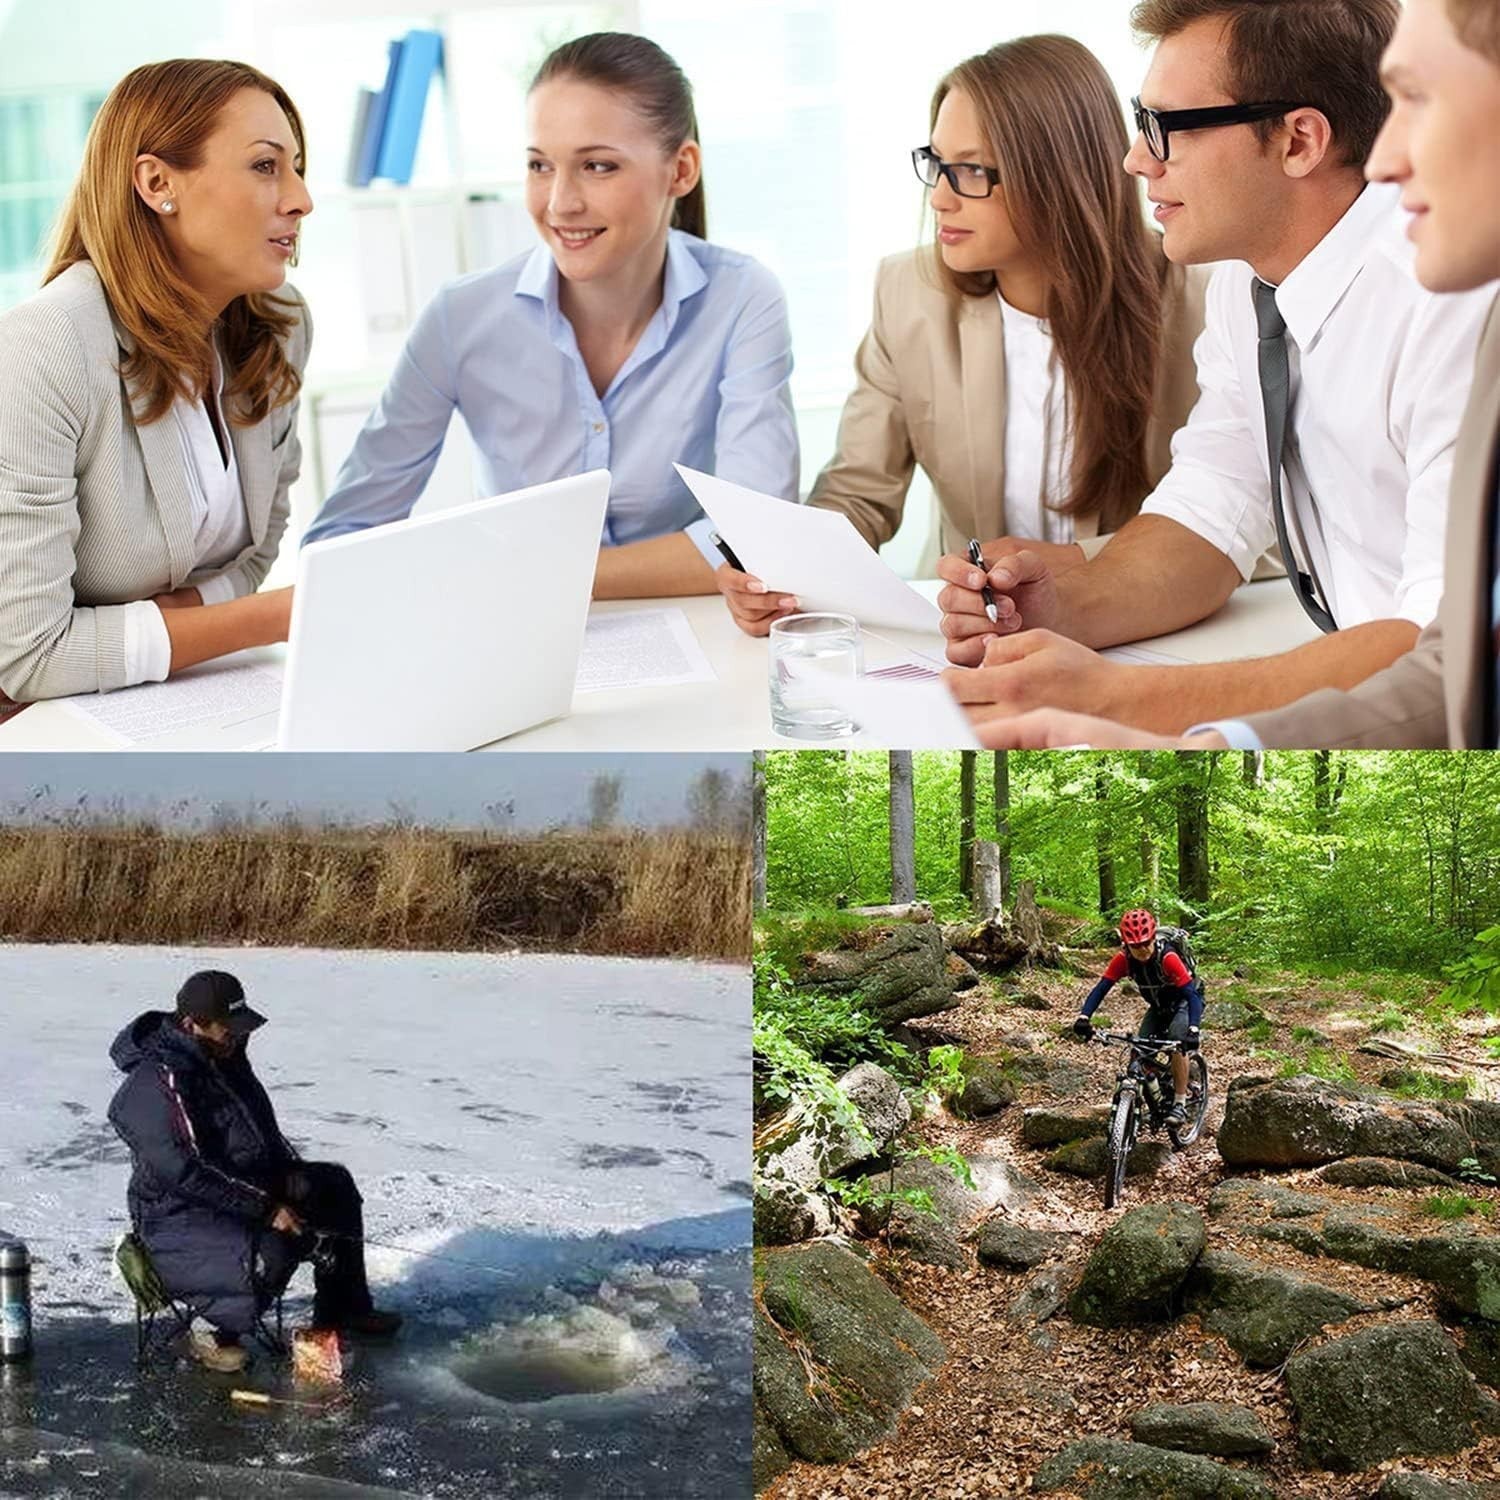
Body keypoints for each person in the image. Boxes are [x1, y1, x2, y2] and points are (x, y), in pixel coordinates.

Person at [937, 0, 1497, 737]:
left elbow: (1448, 651)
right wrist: (1069, 605)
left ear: (1299, 141)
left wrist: (1114, 699)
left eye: (1164, 127)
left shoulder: (1454, 300)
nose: (1136, 159)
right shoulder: (1249, 279)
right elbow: (1215, 503)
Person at [717, 33, 1207, 636]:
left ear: (1058, 175)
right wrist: (781, 572)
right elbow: (859, 492)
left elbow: (1250, 532)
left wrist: (1083, 561)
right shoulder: (908, 292)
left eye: (971, 171)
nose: (941, 197)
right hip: (965, 635)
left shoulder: (1203, 299)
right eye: (938, 165)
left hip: (1151, 628)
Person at [303, 32, 797, 600]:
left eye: (598, 166)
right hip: (514, 638)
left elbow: (760, 535)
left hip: (696, 635)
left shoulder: (742, 299)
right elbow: (338, 542)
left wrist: (519, 572)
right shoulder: (460, 319)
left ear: (681, 170)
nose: (560, 203)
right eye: (540, 165)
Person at [0, 59, 313, 704]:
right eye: (265, 165)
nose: (301, 199)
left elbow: (254, 554)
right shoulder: (45, 347)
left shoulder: (279, 326)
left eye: (295, 167)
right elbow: (26, 656)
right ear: (156, 182)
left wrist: (181, 620)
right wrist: (283, 614)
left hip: (177, 698)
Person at [108, 970, 401, 1373]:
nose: (237, 1037)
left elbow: (250, 1134)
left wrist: (288, 1179)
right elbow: (187, 1171)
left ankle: (344, 1308)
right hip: (178, 1217)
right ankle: (211, 1331)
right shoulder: (159, 1080)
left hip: (241, 1190)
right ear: (193, 1024)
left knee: (333, 1188)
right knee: (273, 1250)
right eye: (227, 1029)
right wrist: (267, 1208)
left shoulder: (222, 1057)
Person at [1073, 909, 1203, 1127]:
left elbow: (1191, 995)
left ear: (1153, 938)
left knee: (1176, 1041)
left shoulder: (1168, 958)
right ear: (1126, 945)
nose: (1142, 950)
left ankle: (1180, 1103)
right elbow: (1101, 988)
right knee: (1139, 1049)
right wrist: (1084, 1017)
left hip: (1185, 1001)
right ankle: (1145, 1101)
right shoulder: (1123, 960)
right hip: (1159, 1006)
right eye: (1135, 946)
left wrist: (1193, 1029)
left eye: (1146, 943)